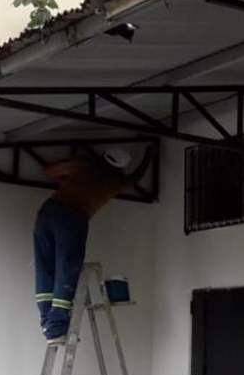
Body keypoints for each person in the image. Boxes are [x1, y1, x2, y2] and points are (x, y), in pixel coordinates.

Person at [33, 145, 154, 343]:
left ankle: (48, 323)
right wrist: (149, 155)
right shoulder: (117, 180)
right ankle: (55, 327)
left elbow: (49, 170)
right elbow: (135, 179)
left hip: (48, 211)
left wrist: (70, 179)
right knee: (67, 268)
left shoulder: (84, 165)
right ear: (121, 167)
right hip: (73, 217)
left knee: (45, 267)